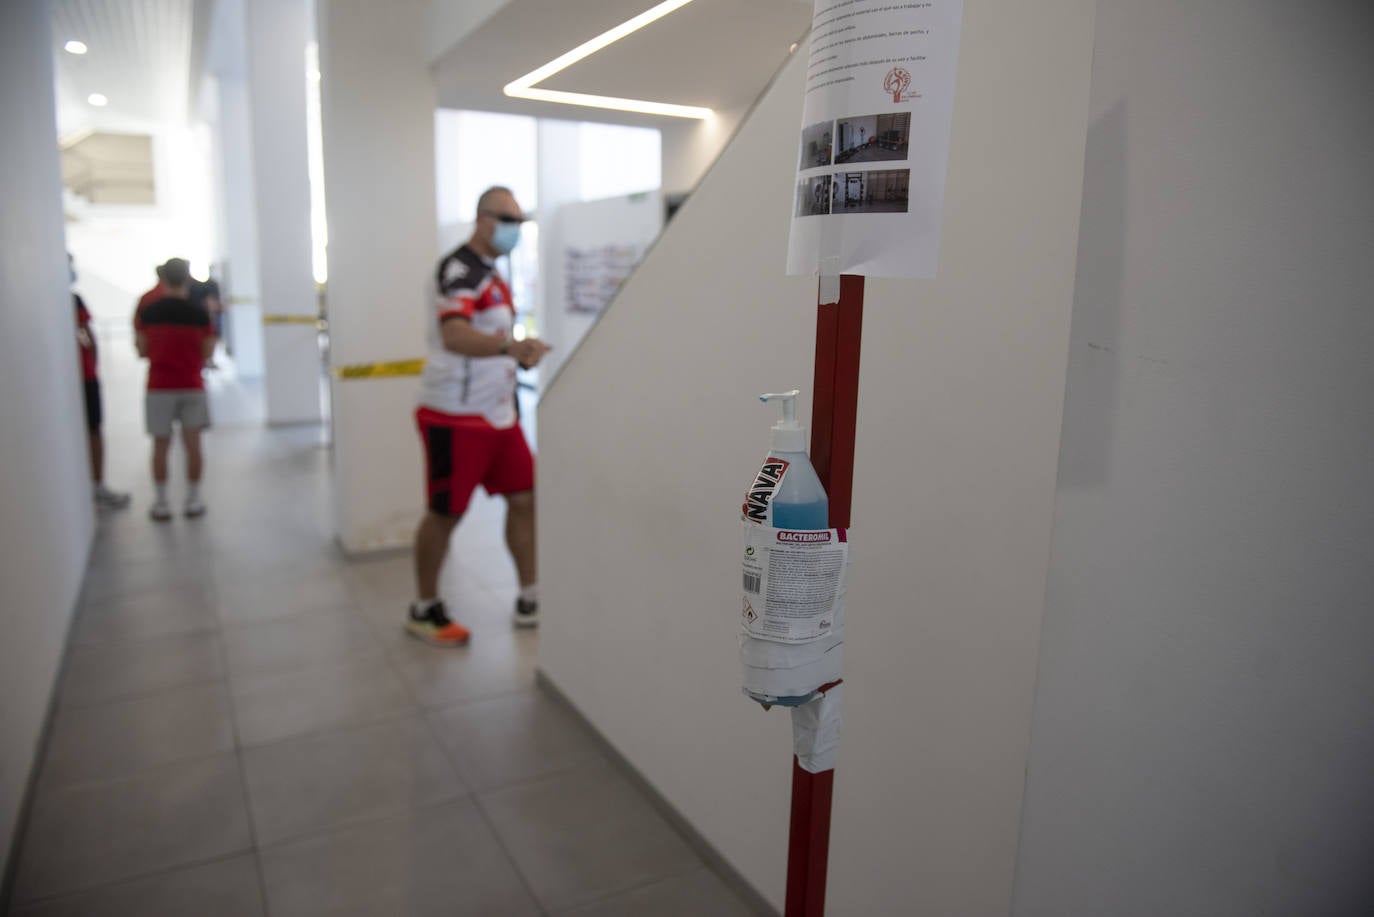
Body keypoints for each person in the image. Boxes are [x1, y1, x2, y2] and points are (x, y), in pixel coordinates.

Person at [409, 186, 551, 646]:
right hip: (456, 415)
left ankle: (531, 595)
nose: (515, 228)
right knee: (445, 514)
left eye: (520, 221)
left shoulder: (493, 272)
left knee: (525, 498)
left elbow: (489, 338)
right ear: (483, 219)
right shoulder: (459, 269)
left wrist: (516, 355)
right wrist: (510, 346)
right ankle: (425, 608)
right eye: (509, 219)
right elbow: (454, 335)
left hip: (499, 414)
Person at [134, 258, 217, 521]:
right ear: (187, 279)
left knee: (160, 444)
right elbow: (207, 352)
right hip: (192, 384)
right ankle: (193, 498)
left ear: (163, 278)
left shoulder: (148, 312)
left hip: (159, 386)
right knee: (193, 444)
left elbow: (142, 350)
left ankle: (161, 502)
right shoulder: (199, 314)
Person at [70, 256, 130, 509]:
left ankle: (97, 485)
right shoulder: (70, 301)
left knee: (93, 429)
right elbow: (88, 335)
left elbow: (87, 333)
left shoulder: (73, 300)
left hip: (85, 376)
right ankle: (93, 486)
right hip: (84, 376)